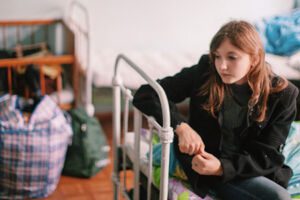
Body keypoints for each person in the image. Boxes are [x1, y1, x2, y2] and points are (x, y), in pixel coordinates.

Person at [133, 20, 299, 200]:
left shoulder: (283, 95)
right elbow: (146, 94)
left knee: (280, 197)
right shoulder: (206, 70)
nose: (222, 66)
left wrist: (221, 167)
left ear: (255, 59)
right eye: (217, 56)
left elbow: (266, 157)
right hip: (205, 165)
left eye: (232, 57)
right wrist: (181, 127)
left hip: (244, 168)